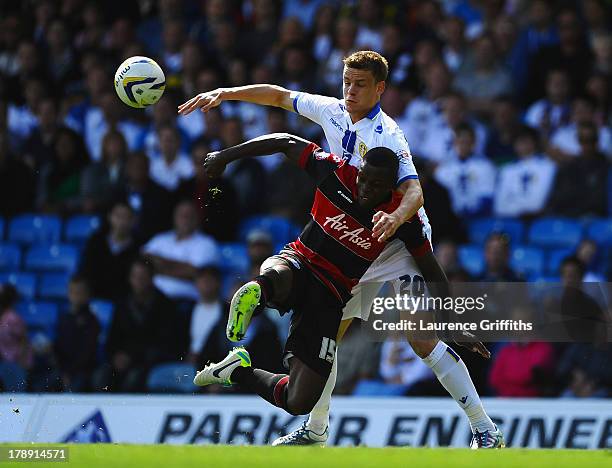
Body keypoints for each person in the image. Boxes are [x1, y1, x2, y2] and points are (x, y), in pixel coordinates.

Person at [179, 50, 501, 448]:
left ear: (380, 89)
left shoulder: (388, 136)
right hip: (350, 247)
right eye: (346, 81)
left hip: (395, 243)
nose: (350, 90)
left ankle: (484, 429)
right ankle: (316, 429)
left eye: (360, 84)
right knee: (330, 332)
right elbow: (279, 96)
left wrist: (396, 218)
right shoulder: (332, 109)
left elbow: (415, 190)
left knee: (421, 339)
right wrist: (226, 93)